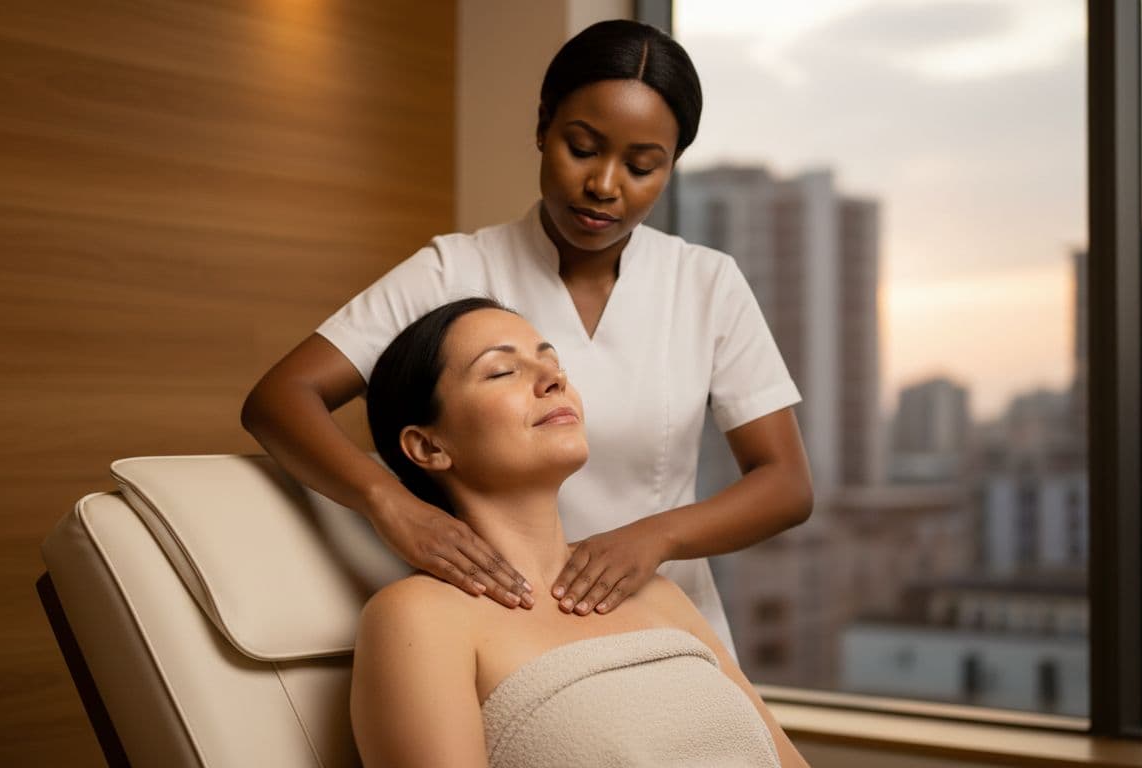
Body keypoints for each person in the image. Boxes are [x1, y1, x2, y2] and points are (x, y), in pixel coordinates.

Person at [241, 19, 812, 655]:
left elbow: (785, 483)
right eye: (583, 147)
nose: (605, 185)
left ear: (671, 167)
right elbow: (281, 398)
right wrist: (390, 504)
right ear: (543, 126)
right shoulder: (454, 269)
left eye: (642, 165)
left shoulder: (706, 283)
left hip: (672, 625)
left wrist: (656, 537)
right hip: (504, 629)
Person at [350, 298, 810, 767]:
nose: (555, 379)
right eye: (502, 371)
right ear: (428, 446)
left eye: (552, 362)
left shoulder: (658, 594)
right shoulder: (420, 616)